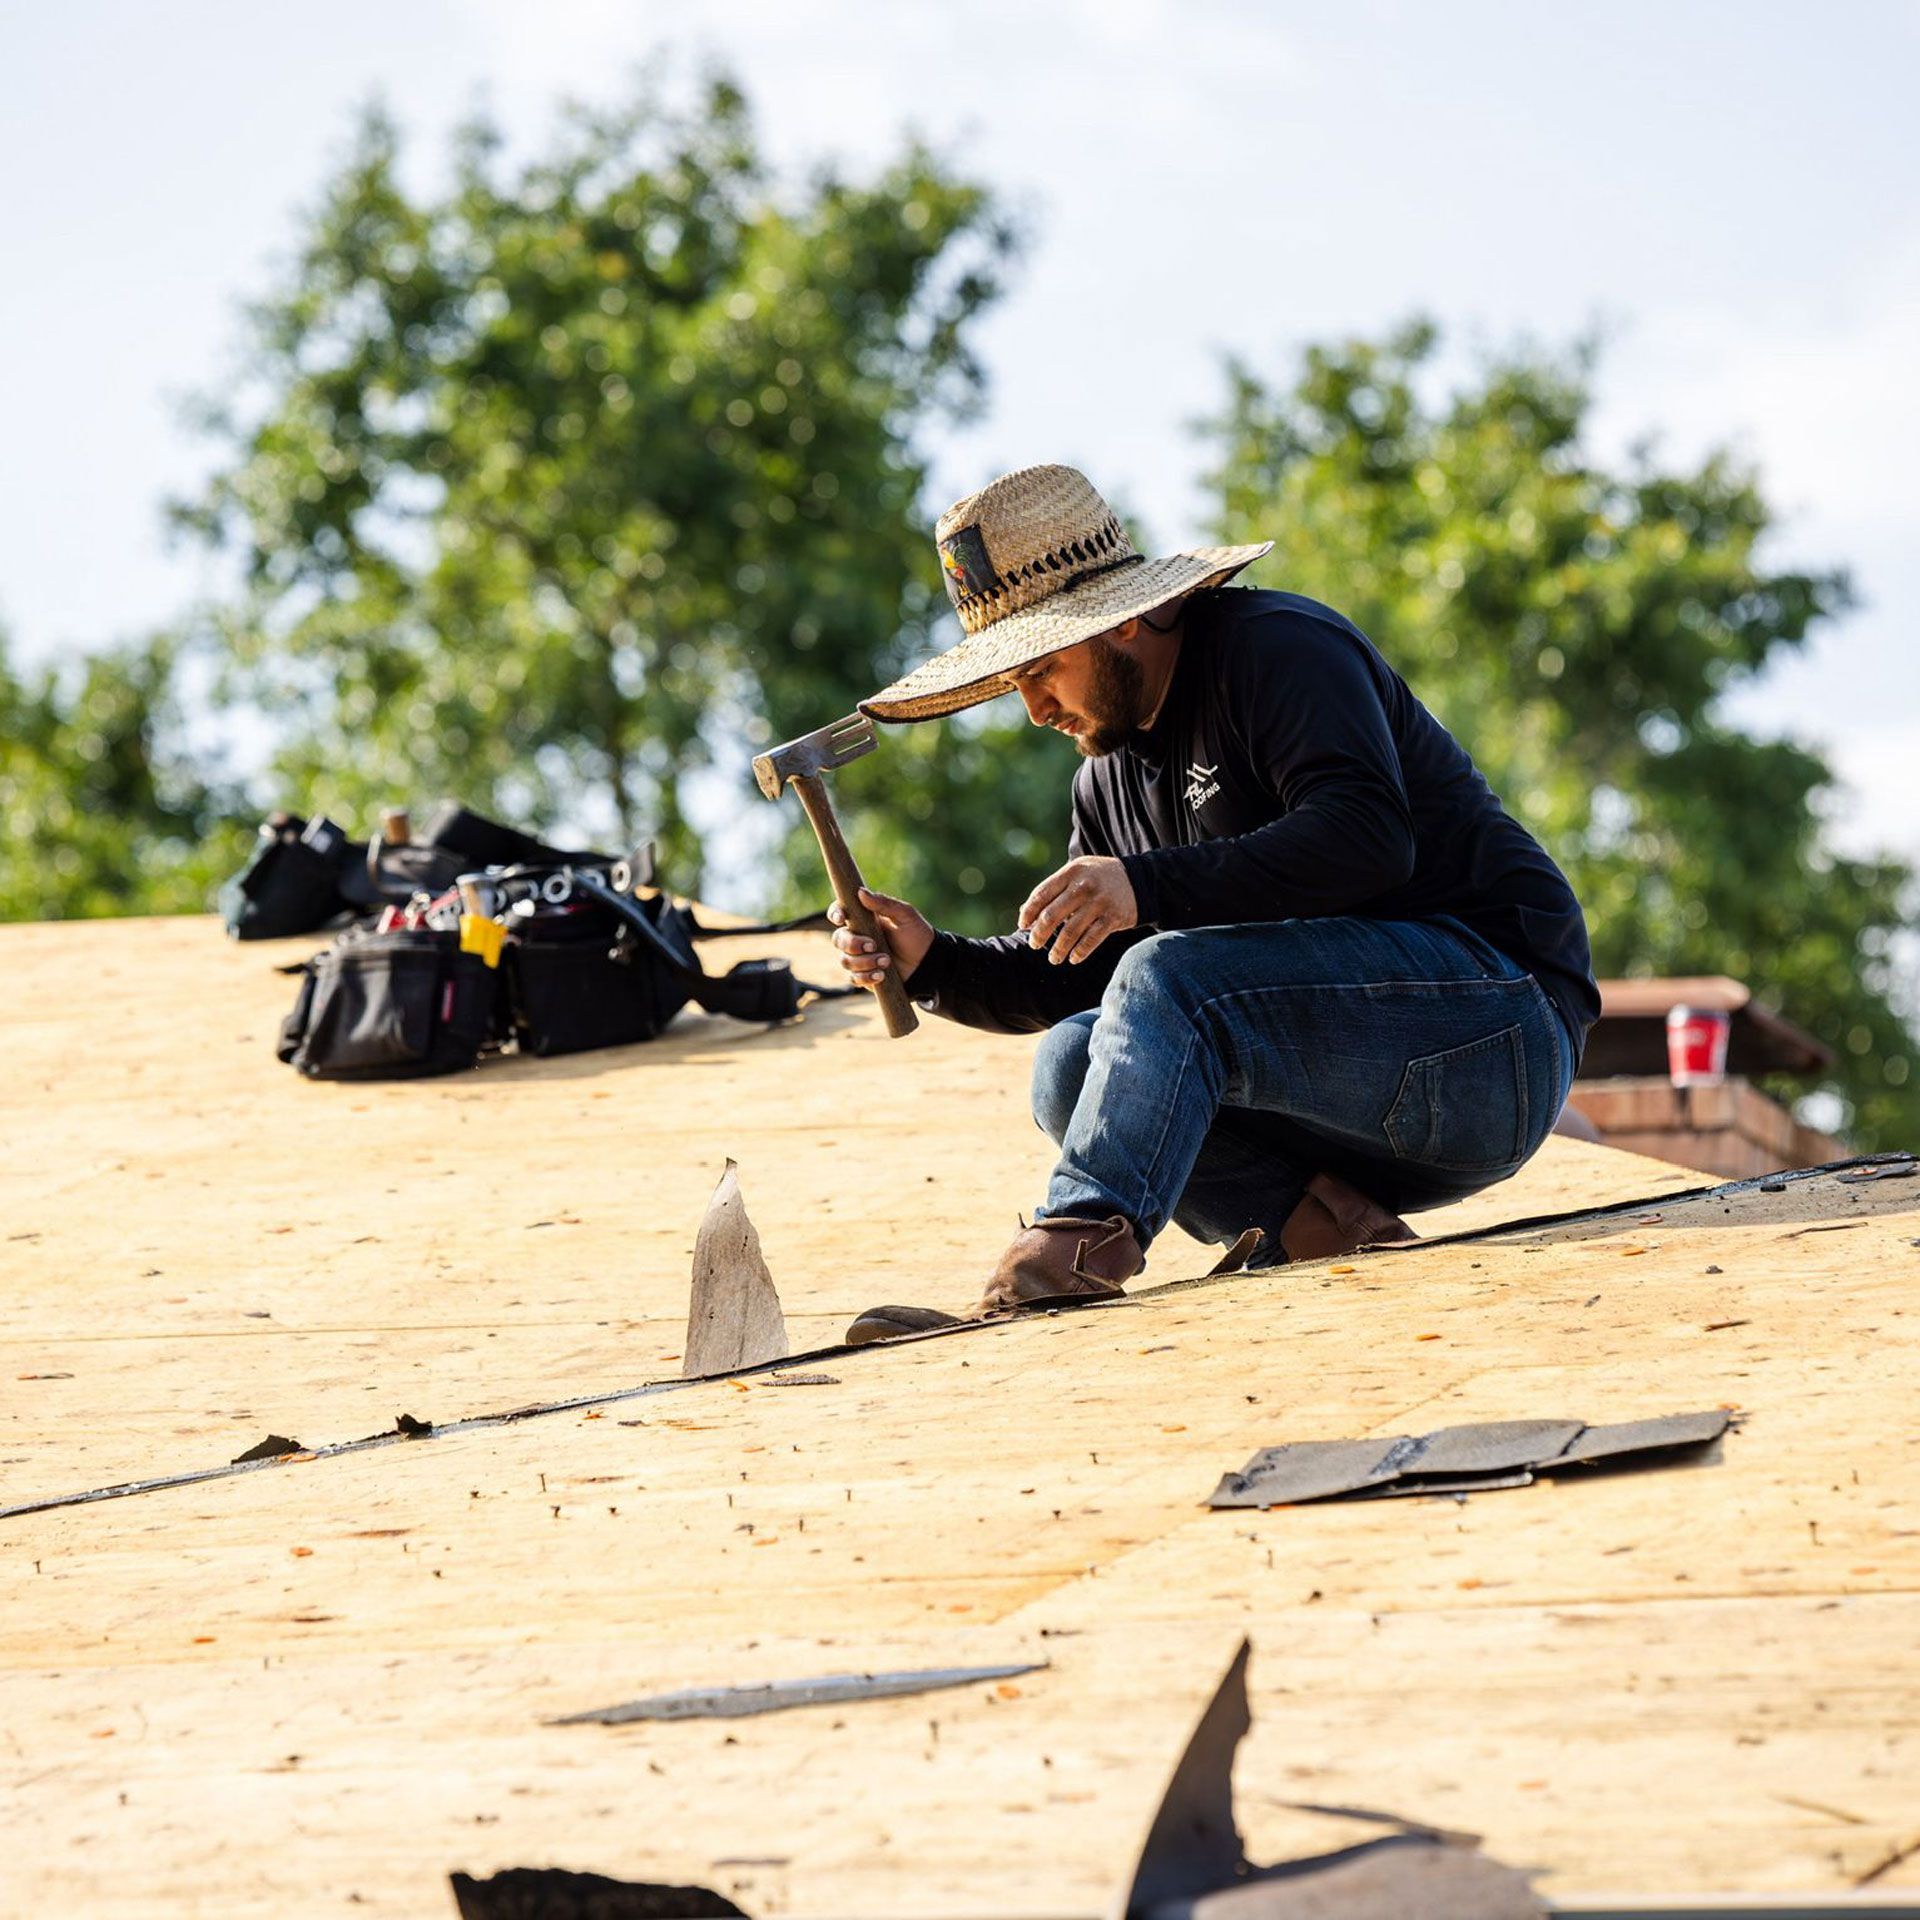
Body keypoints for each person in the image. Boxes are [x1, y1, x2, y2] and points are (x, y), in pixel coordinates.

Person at [832, 464, 1599, 1340]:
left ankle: (1068, 1262)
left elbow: (1367, 839)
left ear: (1119, 617)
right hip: (1352, 1112)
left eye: (1045, 668)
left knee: (1170, 974)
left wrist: (1146, 888)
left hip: (1499, 1039)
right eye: (1014, 683)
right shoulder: (1105, 782)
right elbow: (1087, 982)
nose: (1035, 707)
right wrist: (934, 964)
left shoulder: (1277, 649)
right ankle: (1329, 1232)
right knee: (1074, 1064)